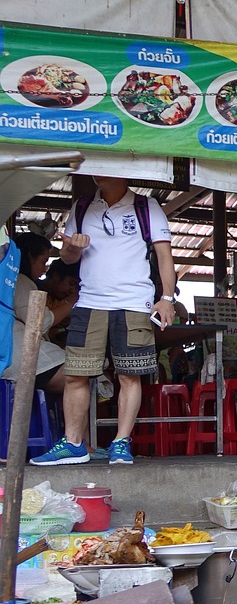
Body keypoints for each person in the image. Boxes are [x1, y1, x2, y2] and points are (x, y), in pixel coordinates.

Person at [32, 176, 176, 466]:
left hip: (134, 302)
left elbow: (164, 255)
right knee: (75, 374)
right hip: (89, 302)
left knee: (129, 375)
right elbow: (69, 258)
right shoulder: (82, 206)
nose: (100, 173)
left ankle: (121, 443)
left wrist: (168, 299)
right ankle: (74, 444)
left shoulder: (146, 207)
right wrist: (73, 247)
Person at [3, 232, 67, 396]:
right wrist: (71, 303)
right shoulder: (20, 281)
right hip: (20, 360)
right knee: (79, 378)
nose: (45, 267)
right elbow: (40, 322)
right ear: (29, 256)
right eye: (43, 261)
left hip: (13, 358)